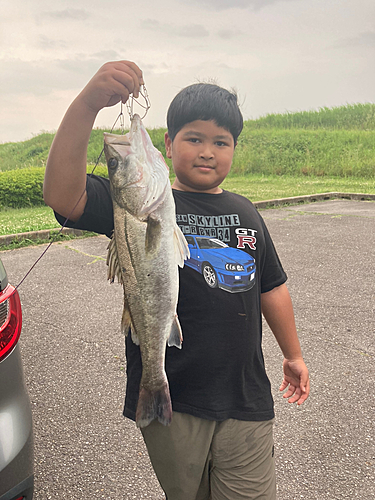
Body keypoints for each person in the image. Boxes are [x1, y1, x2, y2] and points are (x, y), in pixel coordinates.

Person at [44, 60, 310, 500]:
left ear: (234, 149)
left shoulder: (246, 211)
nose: (208, 151)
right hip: (174, 395)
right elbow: (61, 193)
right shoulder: (133, 207)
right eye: (194, 138)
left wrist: (294, 354)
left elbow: (271, 286)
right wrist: (87, 104)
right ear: (168, 144)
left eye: (221, 142)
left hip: (246, 394)